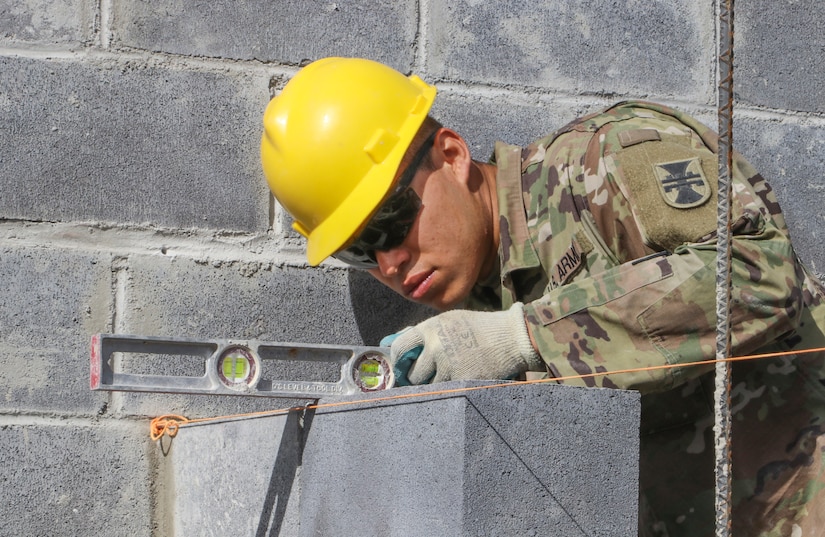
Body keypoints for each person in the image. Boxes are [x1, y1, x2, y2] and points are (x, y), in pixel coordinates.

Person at [260, 57, 825, 537]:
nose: (388, 263)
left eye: (390, 222)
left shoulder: (601, 165)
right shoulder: (465, 328)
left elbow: (761, 275)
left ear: (453, 156)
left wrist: (528, 336)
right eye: (359, 252)